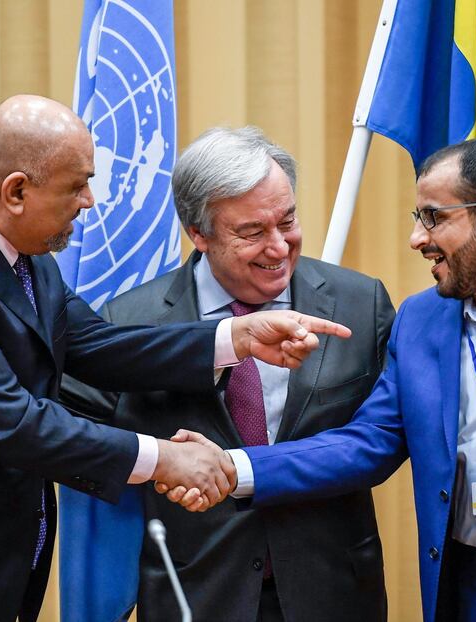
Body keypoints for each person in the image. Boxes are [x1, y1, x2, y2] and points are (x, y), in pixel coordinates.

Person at [0, 95, 350, 622]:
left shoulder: (17, 249)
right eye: (77, 185)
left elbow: (97, 346)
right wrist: (164, 458)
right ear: (17, 191)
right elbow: (14, 422)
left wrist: (237, 337)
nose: (90, 201)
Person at [168, 138, 476, 621]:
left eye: (434, 217)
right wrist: (234, 469)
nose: (417, 238)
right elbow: (367, 443)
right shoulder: (420, 321)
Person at [61, 126, 395, 622]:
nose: (279, 247)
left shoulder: (359, 305)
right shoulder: (129, 321)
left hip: (332, 590)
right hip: (197, 589)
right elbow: (67, 439)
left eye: (288, 220)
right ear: (199, 233)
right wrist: (159, 462)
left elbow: (383, 439)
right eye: (253, 232)